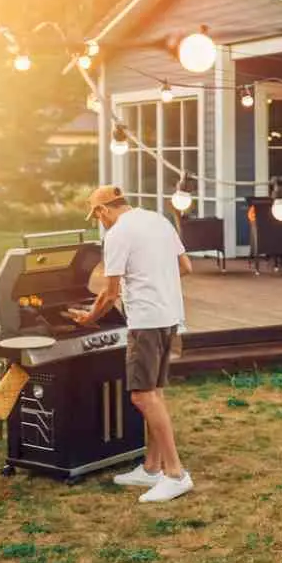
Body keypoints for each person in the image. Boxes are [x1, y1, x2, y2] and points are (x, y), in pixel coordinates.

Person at [69, 186, 194, 503]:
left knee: (142, 396)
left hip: (146, 322)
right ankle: (151, 468)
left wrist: (89, 317)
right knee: (155, 392)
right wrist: (155, 279)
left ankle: (175, 474)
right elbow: (185, 267)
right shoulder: (159, 220)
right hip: (169, 316)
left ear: (102, 211)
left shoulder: (117, 234)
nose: (100, 222)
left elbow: (110, 293)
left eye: (97, 217)